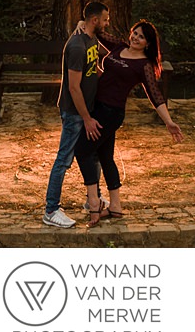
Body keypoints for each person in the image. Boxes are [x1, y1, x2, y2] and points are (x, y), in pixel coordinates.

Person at [75, 18, 183, 222]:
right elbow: (98, 32)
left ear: (148, 44)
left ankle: (94, 203)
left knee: (82, 150)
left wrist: (168, 122)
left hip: (111, 112)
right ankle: (115, 206)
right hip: (97, 106)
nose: (136, 38)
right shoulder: (119, 46)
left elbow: (155, 95)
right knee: (105, 157)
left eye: (141, 37)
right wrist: (84, 23)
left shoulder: (144, 65)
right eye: (135, 33)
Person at [43, 0, 109, 227]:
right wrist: (87, 119)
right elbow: (73, 87)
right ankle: (51, 210)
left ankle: (93, 199)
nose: (107, 23)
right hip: (74, 114)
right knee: (64, 160)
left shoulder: (90, 38)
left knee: (92, 155)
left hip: (88, 110)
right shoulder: (77, 46)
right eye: (105, 20)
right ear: (94, 20)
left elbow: (102, 60)